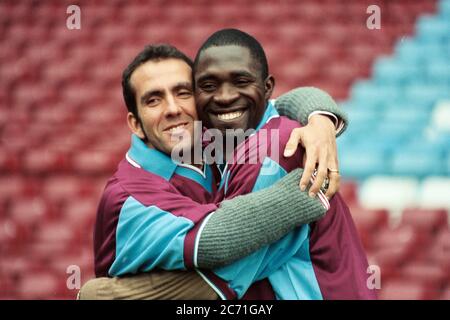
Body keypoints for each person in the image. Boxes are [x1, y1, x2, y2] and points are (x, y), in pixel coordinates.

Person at [79, 39, 349, 299]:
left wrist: (320, 118)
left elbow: (272, 104)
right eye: (153, 100)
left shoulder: (210, 136)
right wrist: (308, 190)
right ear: (135, 124)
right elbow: (215, 241)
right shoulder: (128, 198)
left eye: (183, 92)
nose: (173, 109)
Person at [194, 29, 375, 299]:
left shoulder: (276, 149)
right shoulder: (214, 142)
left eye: (241, 81)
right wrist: (320, 115)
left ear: (267, 87)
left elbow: (215, 278)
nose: (224, 96)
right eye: (209, 86)